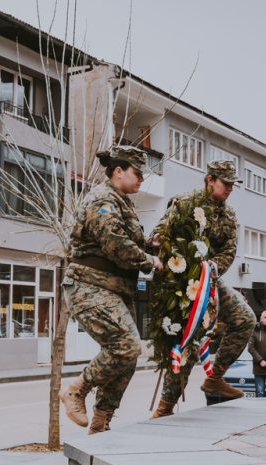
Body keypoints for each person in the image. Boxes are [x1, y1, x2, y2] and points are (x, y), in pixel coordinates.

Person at [59, 146, 163, 434]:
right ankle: (76, 390)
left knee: (127, 357)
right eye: (137, 173)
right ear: (118, 171)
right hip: (89, 285)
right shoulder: (103, 199)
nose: (141, 179)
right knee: (126, 346)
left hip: (115, 288)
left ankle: (101, 421)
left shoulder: (122, 202)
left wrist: (155, 244)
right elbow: (115, 243)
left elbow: (133, 240)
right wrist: (150, 260)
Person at [151, 160, 257, 417]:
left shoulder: (229, 215)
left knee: (245, 318)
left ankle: (215, 377)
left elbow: (229, 251)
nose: (230, 188)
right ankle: (165, 407)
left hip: (209, 280)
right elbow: (158, 236)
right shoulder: (184, 203)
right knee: (187, 343)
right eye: (225, 183)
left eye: (232, 184)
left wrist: (212, 267)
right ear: (210, 180)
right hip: (181, 282)